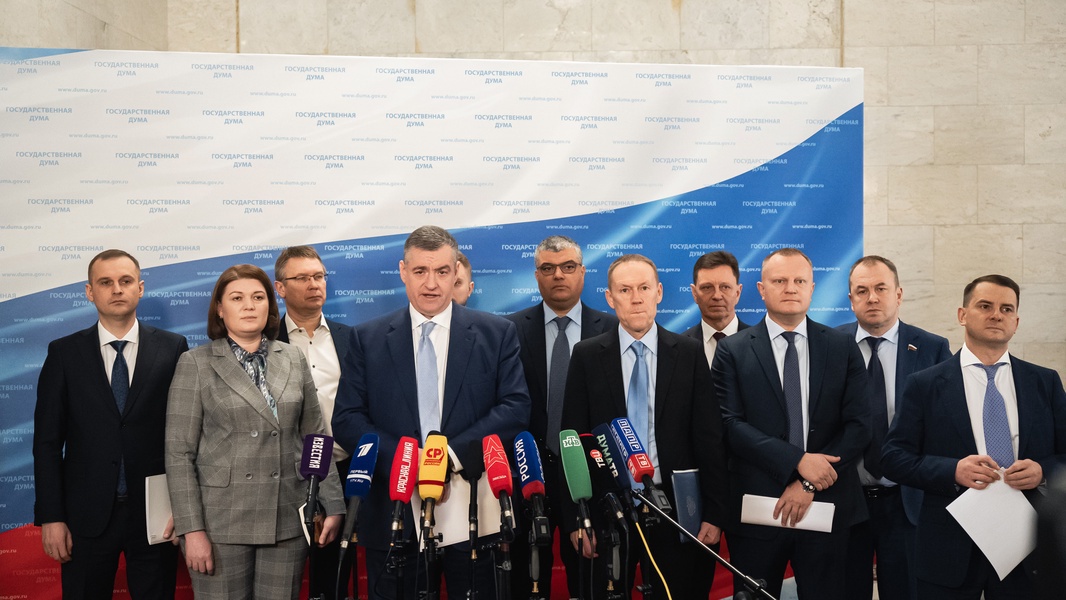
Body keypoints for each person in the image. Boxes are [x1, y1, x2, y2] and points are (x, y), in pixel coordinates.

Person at [331, 225, 530, 600]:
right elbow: (347, 419)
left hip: (472, 508)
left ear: (456, 273)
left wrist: (446, 458)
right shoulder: (367, 338)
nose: (431, 283)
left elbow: (515, 408)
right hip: (394, 510)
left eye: (442, 271)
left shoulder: (497, 333)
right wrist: (410, 462)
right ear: (403, 271)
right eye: (420, 271)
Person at [166, 264, 344, 600]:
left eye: (258, 297)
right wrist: (192, 529)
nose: (249, 305)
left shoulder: (292, 357)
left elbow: (315, 438)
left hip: (286, 518)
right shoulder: (196, 363)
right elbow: (179, 453)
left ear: (270, 305)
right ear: (220, 309)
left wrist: (332, 502)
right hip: (220, 524)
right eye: (237, 298)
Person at [883, 274, 1066, 599]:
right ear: (962, 315)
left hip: (1025, 547)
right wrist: (952, 470)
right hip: (949, 547)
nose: (996, 315)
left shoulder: (1045, 382)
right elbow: (893, 458)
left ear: (1016, 322)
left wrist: (1042, 470)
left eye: (1006, 309)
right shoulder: (924, 384)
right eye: (985, 306)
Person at [560, 253, 729, 598]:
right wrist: (578, 518)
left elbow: (709, 438)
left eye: (644, 288)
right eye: (625, 290)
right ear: (610, 298)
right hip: (607, 510)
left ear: (659, 292)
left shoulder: (688, 353)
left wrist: (714, 513)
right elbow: (572, 441)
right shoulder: (587, 356)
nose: (636, 298)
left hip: (676, 510)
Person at [712, 247, 869, 600]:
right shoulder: (733, 350)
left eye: (799, 281)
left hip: (827, 508)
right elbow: (730, 424)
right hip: (758, 513)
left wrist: (808, 483)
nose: (790, 288)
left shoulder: (843, 347)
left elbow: (859, 426)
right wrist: (797, 461)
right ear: (761, 289)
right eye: (779, 281)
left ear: (812, 288)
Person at [33, 249, 189, 600]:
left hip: (156, 514)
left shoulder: (173, 348)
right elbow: (46, 443)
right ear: (90, 292)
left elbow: (186, 437)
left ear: (140, 288)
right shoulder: (64, 353)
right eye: (105, 282)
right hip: (84, 515)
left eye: (125, 281)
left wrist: (184, 508)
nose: (117, 289)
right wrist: (51, 517)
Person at [504, 234, 617, 598]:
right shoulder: (509, 330)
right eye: (548, 268)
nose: (558, 275)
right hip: (528, 473)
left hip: (588, 476)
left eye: (568, 267)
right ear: (536, 275)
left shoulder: (612, 330)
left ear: (582, 272)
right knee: (525, 582)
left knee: (589, 581)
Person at [837, 255, 951, 600]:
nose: (872, 298)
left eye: (881, 288)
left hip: (908, 502)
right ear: (851, 299)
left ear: (898, 294)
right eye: (862, 291)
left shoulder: (932, 348)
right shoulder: (830, 344)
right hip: (847, 501)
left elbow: (945, 426)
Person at [274, 246, 355, 600]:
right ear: (280, 288)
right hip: (287, 476)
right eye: (302, 277)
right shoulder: (263, 341)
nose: (314, 284)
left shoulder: (351, 338)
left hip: (346, 470)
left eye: (319, 276)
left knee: (334, 580)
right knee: (279, 581)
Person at [684, 250, 750, 368]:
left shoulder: (763, 344)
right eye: (707, 287)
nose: (717, 296)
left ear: (738, 293)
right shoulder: (681, 348)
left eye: (725, 287)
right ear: (694, 293)